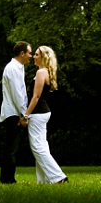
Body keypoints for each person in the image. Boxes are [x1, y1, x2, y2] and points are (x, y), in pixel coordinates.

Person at [22, 46, 68, 184]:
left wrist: (25, 115)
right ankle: (43, 180)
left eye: (36, 55)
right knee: (41, 146)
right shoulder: (44, 71)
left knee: (37, 147)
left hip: (38, 114)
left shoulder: (42, 72)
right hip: (42, 113)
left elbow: (36, 97)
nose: (34, 57)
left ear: (44, 57)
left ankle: (58, 177)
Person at [0, 41, 32, 184]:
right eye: (30, 53)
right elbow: (16, 93)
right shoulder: (12, 68)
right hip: (13, 112)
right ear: (22, 53)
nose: (31, 56)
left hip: (15, 112)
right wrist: (23, 115)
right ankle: (7, 179)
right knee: (11, 148)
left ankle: (7, 178)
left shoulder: (18, 68)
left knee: (12, 147)